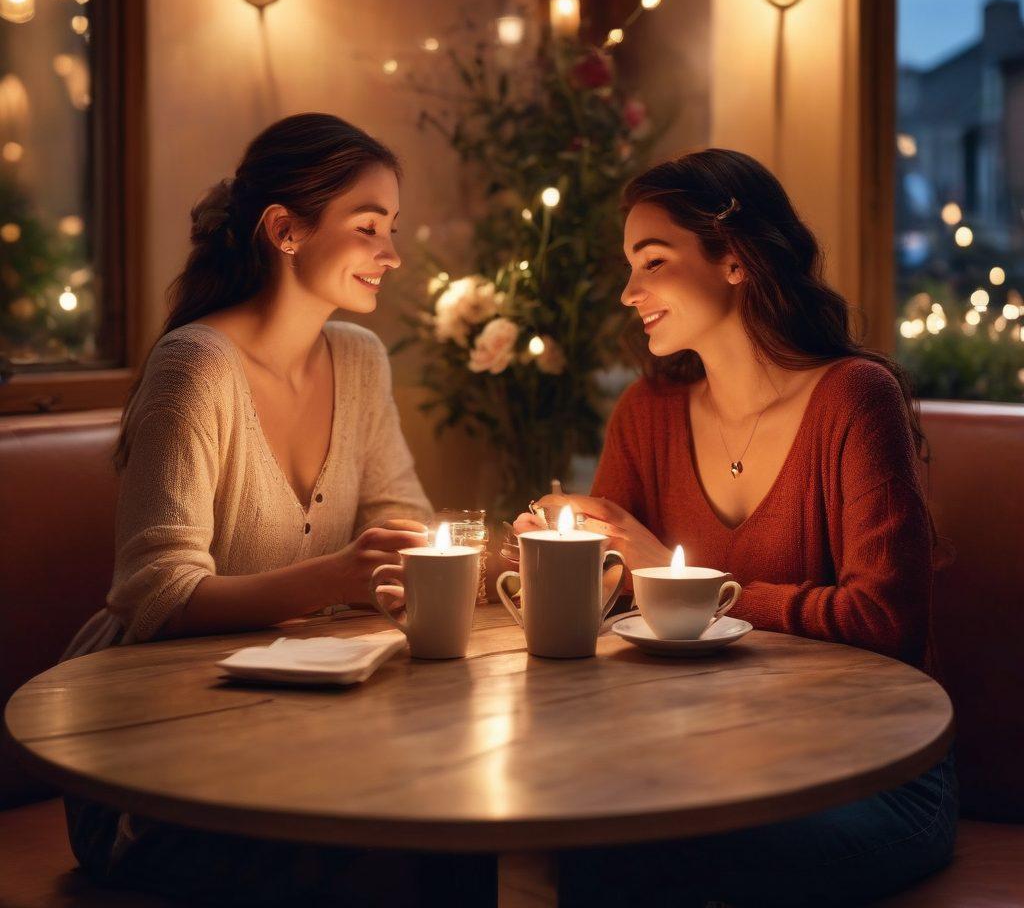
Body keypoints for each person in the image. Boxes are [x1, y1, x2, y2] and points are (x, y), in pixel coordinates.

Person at [62, 113, 492, 905]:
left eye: (391, 228)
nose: (391, 254)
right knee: (379, 852)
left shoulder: (359, 362)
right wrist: (337, 574)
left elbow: (403, 520)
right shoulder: (196, 367)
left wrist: (450, 564)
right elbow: (152, 595)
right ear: (285, 231)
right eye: (368, 227)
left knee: (458, 820)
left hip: (300, 727)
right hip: (149, 758)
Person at [517, 149, 957, 907]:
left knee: (657, 856)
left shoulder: (855, 399)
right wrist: (564, 556)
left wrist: (680, 580)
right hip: (698, 759)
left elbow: (885, 622)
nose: (629, 291)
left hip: (866, 772)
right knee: (583, 838)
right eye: (629, 265)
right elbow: (612, 608)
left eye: (653, 261)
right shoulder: (647, 414)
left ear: (734, 260)